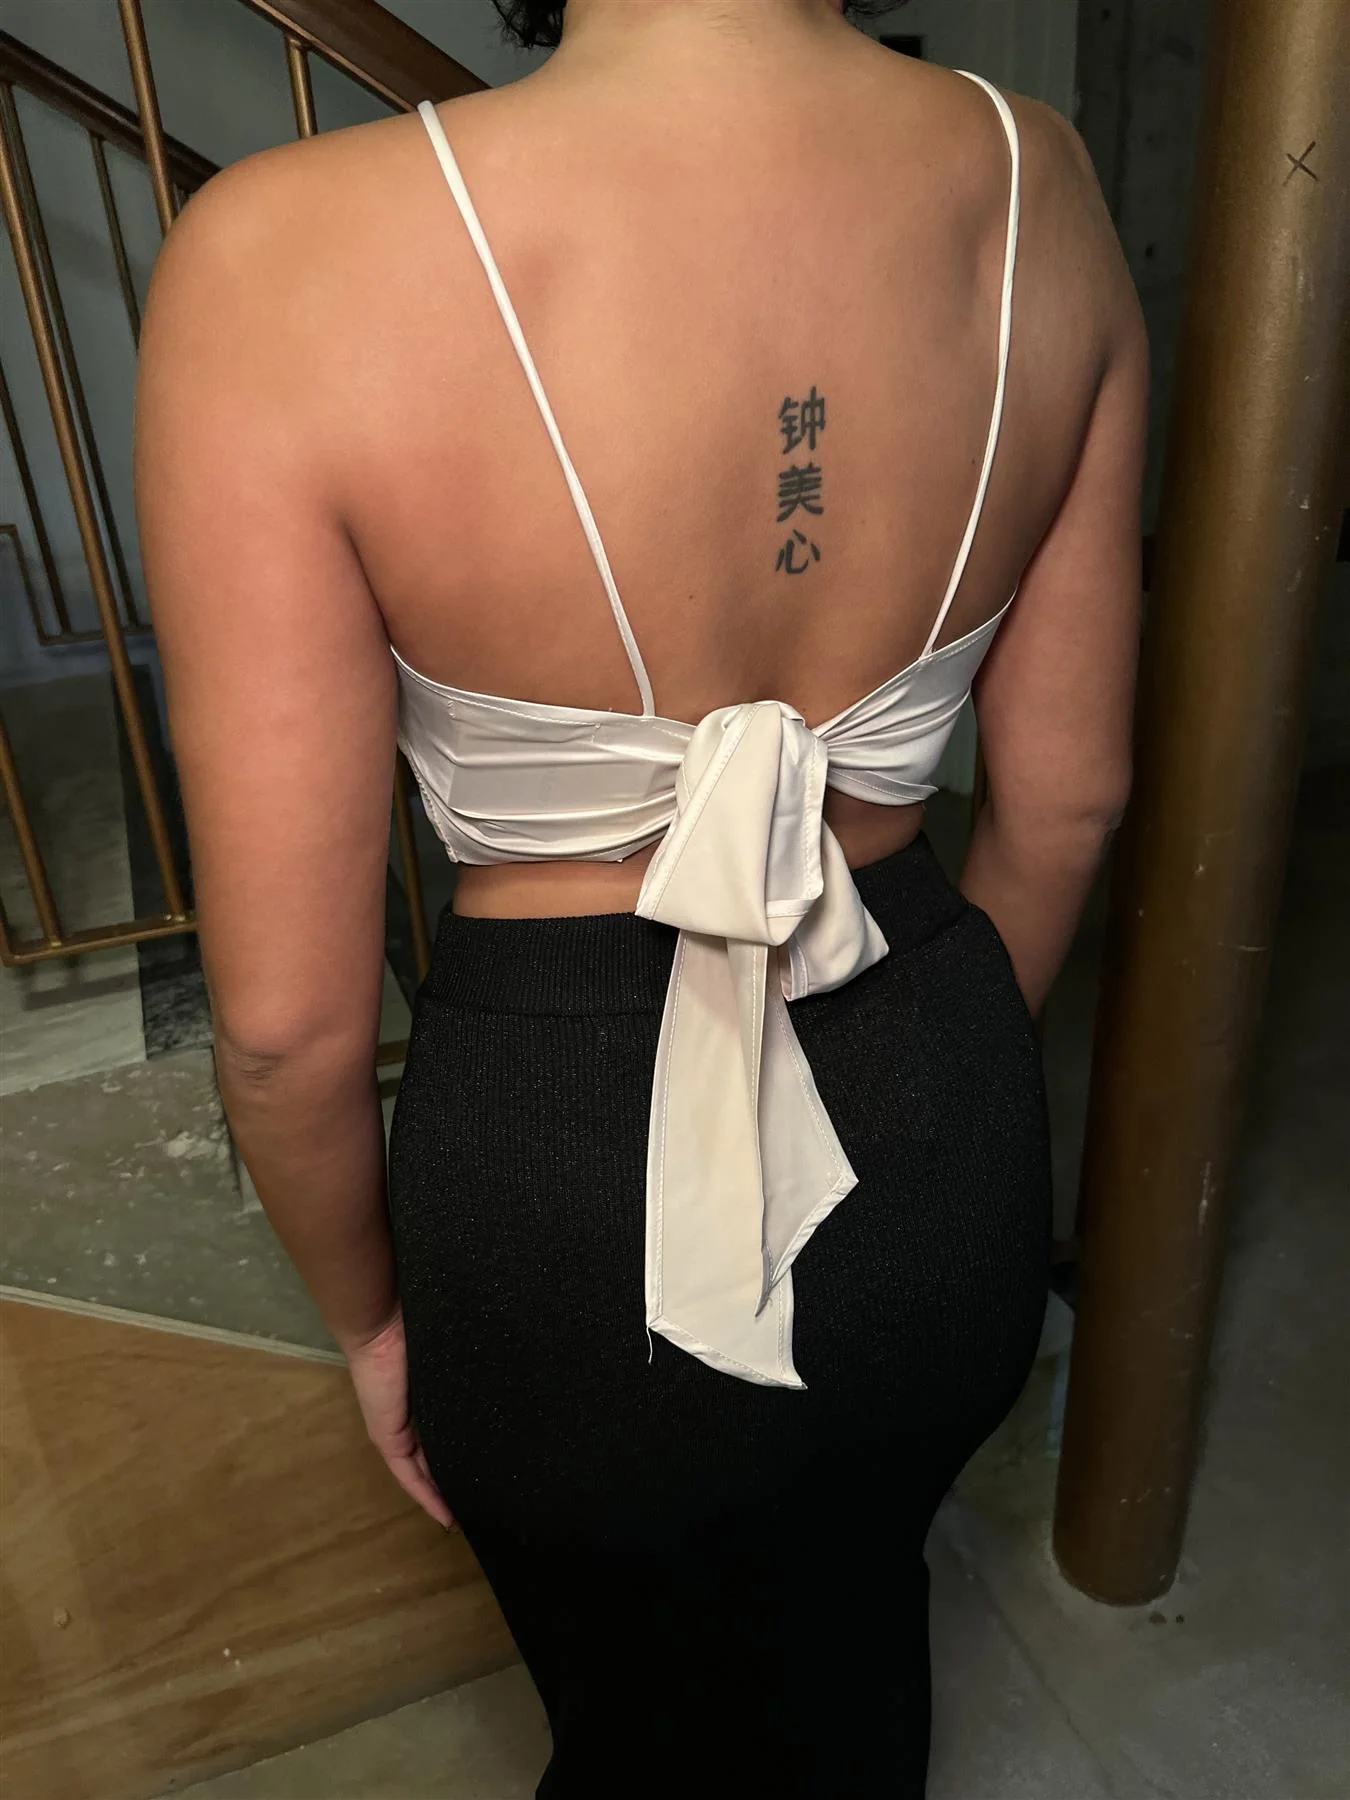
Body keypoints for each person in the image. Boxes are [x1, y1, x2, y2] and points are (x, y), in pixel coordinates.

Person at [135, 0, 1145, 1791]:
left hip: (553, 1207)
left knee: (634, 1726)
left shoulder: (278, 254)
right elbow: (1064, 806)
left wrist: (373, 1321)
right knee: (855, 1649)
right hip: (938, 1133)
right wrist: (936, 1089)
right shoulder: (1033, 177)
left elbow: (288, 1030)